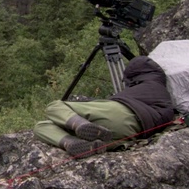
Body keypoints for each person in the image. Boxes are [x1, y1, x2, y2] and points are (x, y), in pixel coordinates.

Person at [33, 56, 175, 157]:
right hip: (130, 132)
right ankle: (81, 143)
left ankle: (77, 129)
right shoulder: (163, 95)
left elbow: (114, 104)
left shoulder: (146, 86)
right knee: (42, 125)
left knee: (54, 106)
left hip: (118, 111)